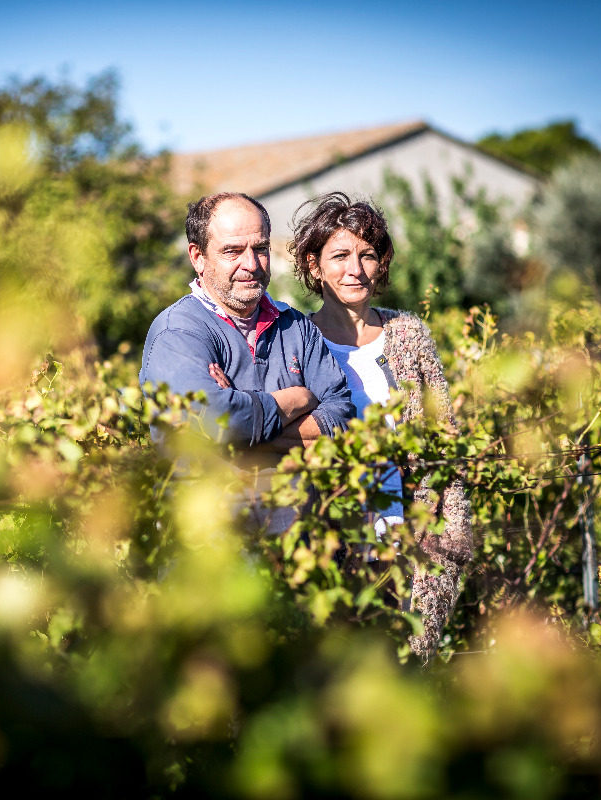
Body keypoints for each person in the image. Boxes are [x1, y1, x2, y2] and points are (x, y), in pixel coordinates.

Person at [289, 191, 473, 661]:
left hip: (407, 547)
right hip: (329, 546)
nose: (356, 269)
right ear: (314, 266)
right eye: (340, 255)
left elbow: (442, 443)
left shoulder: (408, 336)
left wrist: (442, 537)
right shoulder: (295, 342)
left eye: (368, 255)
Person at [139, 192, 355, 504]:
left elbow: (343, 421)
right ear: (197, 257)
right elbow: (215, 418)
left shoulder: (296, 326)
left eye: (261, 248)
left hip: (304, 541)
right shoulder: (178, 332)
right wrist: (300, 398)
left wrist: (242, 428)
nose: (251, 264)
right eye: (233, 251)